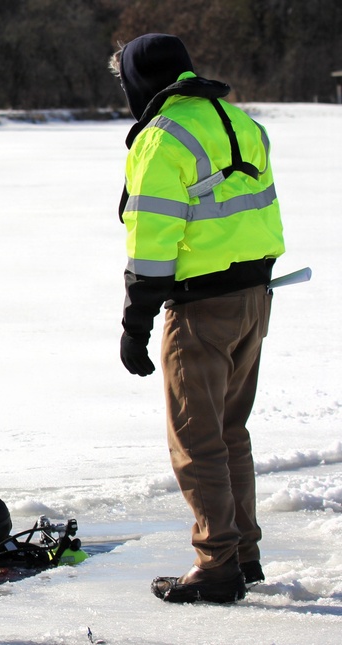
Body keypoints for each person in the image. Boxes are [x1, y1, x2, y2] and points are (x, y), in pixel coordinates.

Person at [109, 34, 285, 603]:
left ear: (141, 80)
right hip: (255, 298)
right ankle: (243, 554)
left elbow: (154, 238)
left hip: (202, 306)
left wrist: (136, 325)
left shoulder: (162, 137)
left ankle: (217, 565)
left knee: (196, 440)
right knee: (230, 431)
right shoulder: (238, 121)